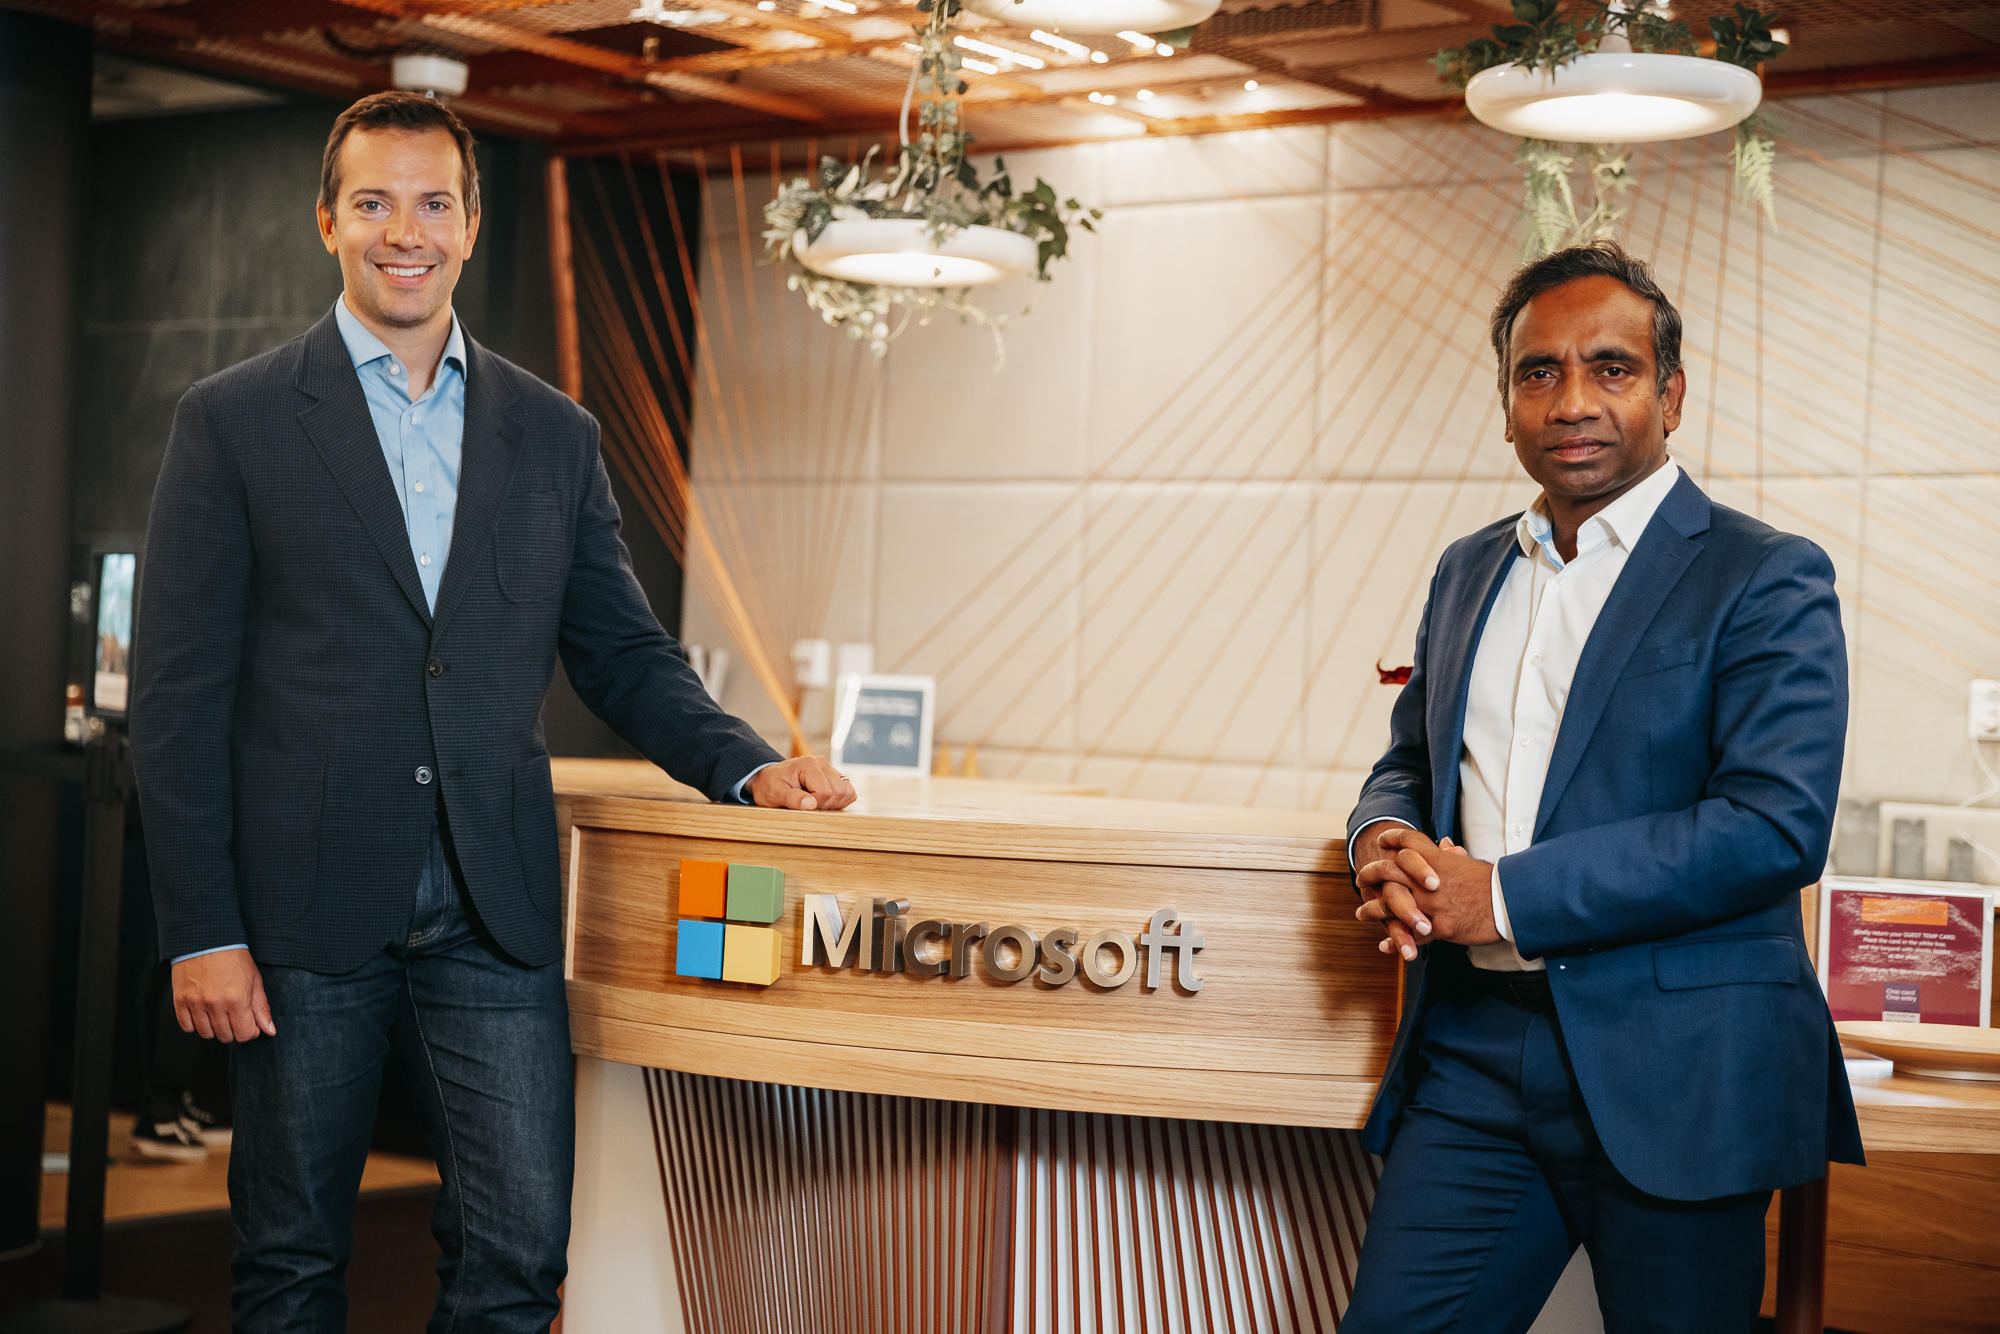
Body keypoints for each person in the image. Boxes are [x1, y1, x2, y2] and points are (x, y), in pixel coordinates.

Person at [129, 90, 855, 1331]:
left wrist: (743, 766)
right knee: (291, 1257)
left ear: (471, 224)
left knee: (517, 1257)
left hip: (494, 908)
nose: (401, 230)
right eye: (372, 201)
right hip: (301, 912)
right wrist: (201, 926)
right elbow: (177, 695)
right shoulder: (232, 420)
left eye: (432, 202)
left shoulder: (554, 434)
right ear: (327, 221)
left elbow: (622, 651)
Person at [1341, 241, 1861, 1333]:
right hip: (1473, 1053)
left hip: (1679, 1067)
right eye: (1538, 372)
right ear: (1504, 403)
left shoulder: (1762, 573)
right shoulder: (1465, 567)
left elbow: (1771, 825)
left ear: (1668, 393)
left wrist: (1503, 894)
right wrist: (1382, 836)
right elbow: (1412, 761)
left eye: (1609, 368)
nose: (1570, 399)